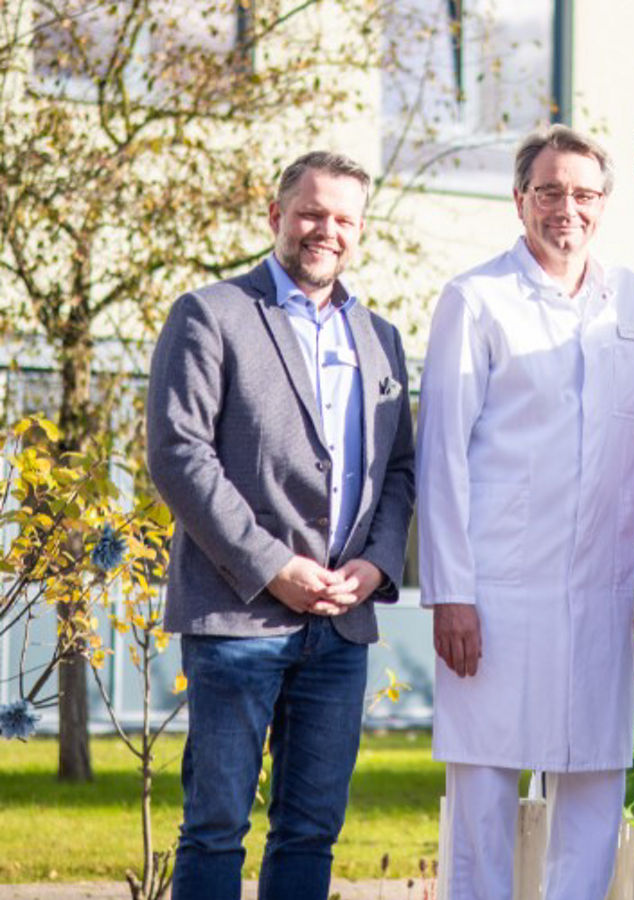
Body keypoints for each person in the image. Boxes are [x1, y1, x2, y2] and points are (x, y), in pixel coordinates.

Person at [416, 125, 634, 900]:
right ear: (519, 201)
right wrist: (450, 591)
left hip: (601, 590)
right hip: (495, 593)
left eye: (583, 194)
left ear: (604, 205)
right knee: (485, 802)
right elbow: (443, 456)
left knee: (595, 789)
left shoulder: (632, 299)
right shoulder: (475, 299)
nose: (566, 207)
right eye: (549, 191)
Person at [146, 151, 415, 900]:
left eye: (343, 219)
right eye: (311, 213)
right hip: (238, 619)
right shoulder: (210, 314)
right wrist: (272, 566)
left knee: (310, 831)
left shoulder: (382, 338)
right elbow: (178, 455)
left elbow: (398, 470)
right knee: (215, 827)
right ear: (276, 216)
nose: (325, 230)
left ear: (360, 231)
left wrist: (377, 565)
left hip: (341, 623)